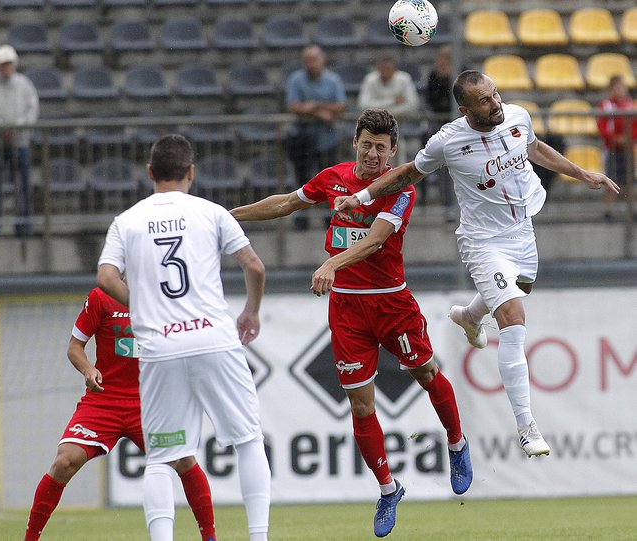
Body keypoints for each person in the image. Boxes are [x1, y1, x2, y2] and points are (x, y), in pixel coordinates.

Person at [334, 71, 620, 458]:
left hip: (521, 230)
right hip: (483, 241)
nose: (495, 103)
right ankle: (526, 425)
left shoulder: (518, 115)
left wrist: (580, 172)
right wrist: (364, 196)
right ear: (465, 109)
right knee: (513, 317)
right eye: (484, 101)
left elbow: (534, 148)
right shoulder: (448, 141)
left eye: (495, 94)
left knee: (521, 289)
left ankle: (470, 315)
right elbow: (407, 173)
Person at [231, 109, 472, 538]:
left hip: (390, 303)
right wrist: (228, 216)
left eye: (382, 146)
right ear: (355, 143)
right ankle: (388, 489)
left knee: (427, 372)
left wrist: (331, 264)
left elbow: (377, 239)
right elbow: (287, 203)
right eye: (367, 143)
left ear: (393, 151)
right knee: (361, 406)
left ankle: (457, 444)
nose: (374, 153)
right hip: (346, 311)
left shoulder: (400, 188)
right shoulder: (333, 177)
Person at [96, 134, 270, 541]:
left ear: (150, 173)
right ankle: (258, 537)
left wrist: (141, 304)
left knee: (161, 457)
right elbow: (255, 266)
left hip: (160, 349)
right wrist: (251, 311)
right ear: (191, 172)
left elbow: (105, 277)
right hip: (214, 339)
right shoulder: (211, 212)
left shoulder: (128, 220)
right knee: (248, 439)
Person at [23, 288, 217, 541]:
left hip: (150, 402)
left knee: (184, 461)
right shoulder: (101, 297)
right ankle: (30, 538)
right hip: (103, 401)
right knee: (64, 462)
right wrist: (88, 369)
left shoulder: (165, 294)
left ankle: (210, 537)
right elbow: (75, 347)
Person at [0, 44, 38, 237]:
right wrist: (1, 127)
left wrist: (17, 127)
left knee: (23, 187)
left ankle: (24, 227)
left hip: (19, 142)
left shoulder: (24, 84)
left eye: (9, 63)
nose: (6, 67)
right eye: (3, 64)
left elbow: (32, 108)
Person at [285, 44, 346, 229]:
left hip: (327, 140)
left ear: (322, 61)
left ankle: (331, 219)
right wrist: (319, 112)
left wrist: (315, 107)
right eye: (307, 61)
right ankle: (302, 219)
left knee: (331, 182)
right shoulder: (296, 79)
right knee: (303, 181)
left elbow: (340, 106)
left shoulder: (333, 80)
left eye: (314, 60)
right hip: (302, 139)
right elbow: (292, 106)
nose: (311, 64)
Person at [358, 56, 419, 164]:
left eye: (388, 69)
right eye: (383, 69)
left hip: (400, 125)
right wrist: (393, 101)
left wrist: (382, 114)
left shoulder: (404, 79)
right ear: (378, 68)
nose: (385, 72)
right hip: (374, 129)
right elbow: (363, 105)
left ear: (395, 69)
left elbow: (412, 105)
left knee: (399, 160)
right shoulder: (370, 79)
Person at [423, 45, 456, 218]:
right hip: (440, 125)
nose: (439, 64)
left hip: (459, 124)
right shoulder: (434, 75)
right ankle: (448, 206)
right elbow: (432, 100)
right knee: (444, 168)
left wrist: (449, 78)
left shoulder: (460, 73)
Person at [597, 75, 636, 222]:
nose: (621, 90)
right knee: (610, 179)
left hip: (628, 149)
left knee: (630, 181)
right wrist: (615, 138)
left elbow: (635, 127)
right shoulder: (605, 105)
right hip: (611, 149)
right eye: (617, 87)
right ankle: (608, 210)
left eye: (623, 87)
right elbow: (602, 126)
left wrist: (629, 138)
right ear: (611, 89)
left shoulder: (631, 105)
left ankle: (632, 210)